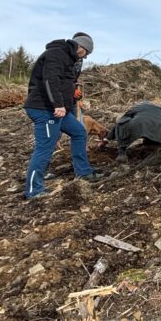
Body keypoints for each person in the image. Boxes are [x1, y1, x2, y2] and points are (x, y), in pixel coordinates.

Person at [23, 32, 100, 200]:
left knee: (79, 132)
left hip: (60, 110)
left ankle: (83, 172)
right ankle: (33, 190)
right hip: (45, 108)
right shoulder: (56, 54)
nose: (85, 57)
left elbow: (65, 85)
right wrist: (57, 104)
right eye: (86, 53)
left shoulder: (71, 61)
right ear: (81, 48)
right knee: (45, 147)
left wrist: (72, 96)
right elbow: (50, 80)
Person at [108, 101, 161, 165]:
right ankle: (157, 146)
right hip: (160, 129)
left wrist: (108, 137)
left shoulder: (138, 107)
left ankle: (122, 153)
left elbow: (121, 121)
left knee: (122, 123)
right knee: (155, 132)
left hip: (139, 125)